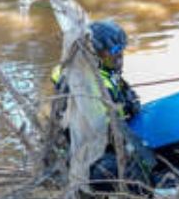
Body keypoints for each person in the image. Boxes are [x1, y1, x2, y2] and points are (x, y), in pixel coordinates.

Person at [51, 19, 152, 192]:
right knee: (133, 167)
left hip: (100, 141)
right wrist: (125, 107)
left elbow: (125, 96)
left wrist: (129, 101)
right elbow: (102, 124)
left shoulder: (106, 71)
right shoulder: (85, 82)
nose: (119, 56)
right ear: (95, 53)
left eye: (121, 49)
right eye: (113, 51)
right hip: (86, 155)